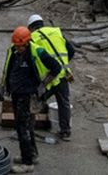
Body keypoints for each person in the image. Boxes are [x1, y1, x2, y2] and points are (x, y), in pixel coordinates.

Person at [26, 13, 74, 141]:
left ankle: (29, 130)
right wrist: (63, 63)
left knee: (35, 100)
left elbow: (31, 59)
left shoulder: (33, 37)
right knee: (63, 103)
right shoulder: (56, 32)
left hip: (47, 78)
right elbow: (71, 50)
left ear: (30, 27)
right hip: (63, 74)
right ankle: (65, 131)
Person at [1, 27, 40, 171]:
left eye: (20, 46)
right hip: (16, 93)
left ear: (27, 42)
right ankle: (30, 155)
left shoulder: (36, 51)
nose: (18, 48)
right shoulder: (15, 52)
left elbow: (55, 68)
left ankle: (27, 163)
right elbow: (8, 68)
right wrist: (4, 86)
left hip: (26, 95)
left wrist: (42, 87)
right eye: (16, 45)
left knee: (22, 128)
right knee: (24, 127)